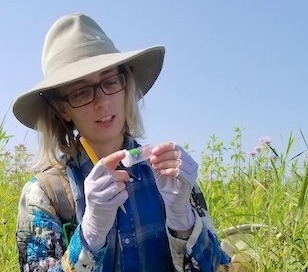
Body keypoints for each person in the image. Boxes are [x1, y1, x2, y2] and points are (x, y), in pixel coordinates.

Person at [13, 13, 230, 272]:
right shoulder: (44, 194)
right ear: (62, 109)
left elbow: (219, 268)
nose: (102, 102)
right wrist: (90, 234)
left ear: (126, 84)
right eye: (81, 92)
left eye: (110, 81)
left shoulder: (170, 176)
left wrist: (181, 217)